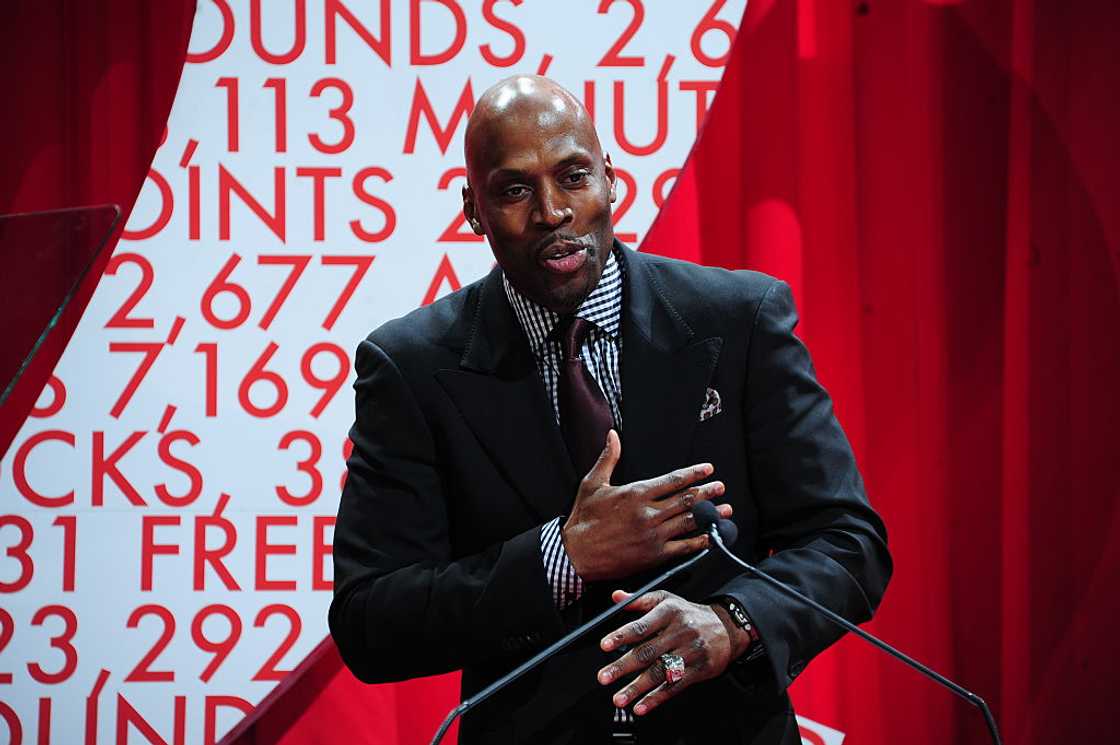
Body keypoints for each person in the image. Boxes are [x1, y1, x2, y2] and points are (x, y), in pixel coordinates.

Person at [329, 75, 892, 745]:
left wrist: (733, 621)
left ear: (611, 178)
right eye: (514, 190)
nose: (552, 211)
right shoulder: (412, 367)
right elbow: (371, 620)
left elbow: (847, 541)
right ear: (473, 211)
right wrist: (562, 556)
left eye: (573, 176)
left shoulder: (739, 321)